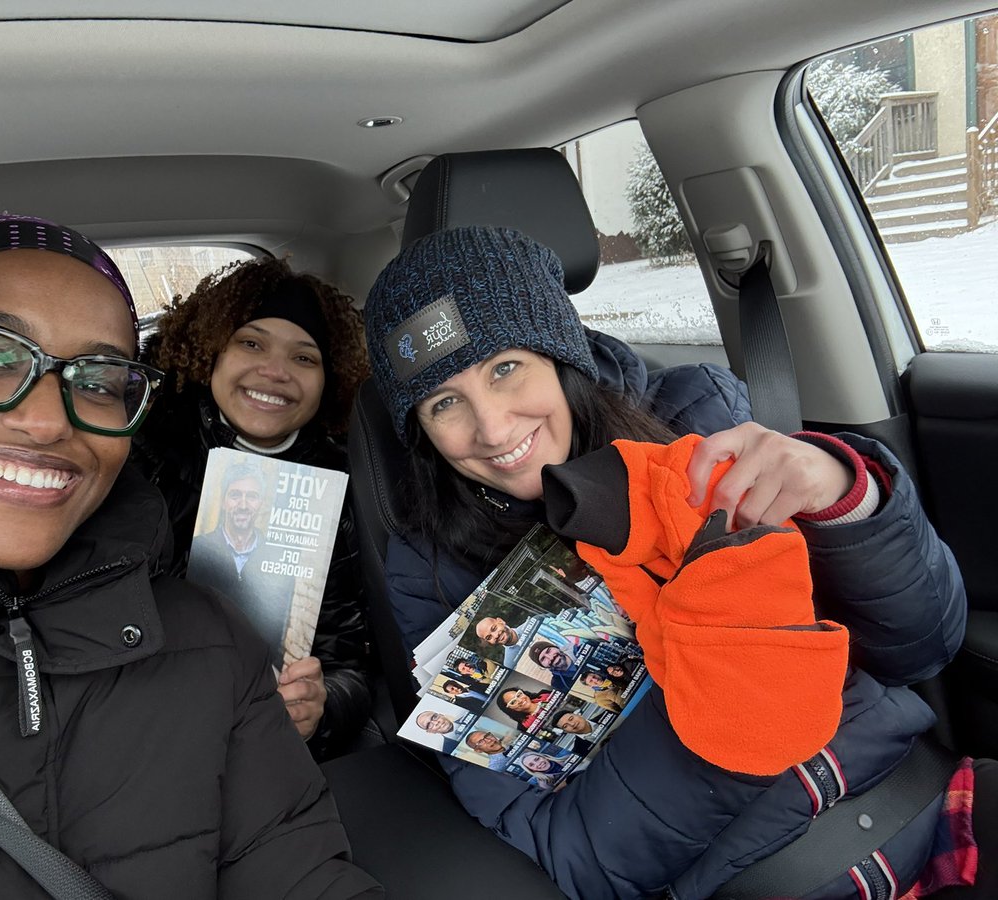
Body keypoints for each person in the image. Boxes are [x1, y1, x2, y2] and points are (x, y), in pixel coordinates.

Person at [365, 225, 978, 898]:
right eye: (444, 403)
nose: (493, 429)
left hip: (926, 802)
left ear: (559, 353)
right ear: (419, 430)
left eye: (504, 368)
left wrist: (842, 496)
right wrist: (734, 705)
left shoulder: (699, 416)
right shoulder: (433, 571)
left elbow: (926, 645)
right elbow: (560, 852)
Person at [0, 214, 381, 897]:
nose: (47, 421)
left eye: (98, 379)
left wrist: (322, 706)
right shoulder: (158, 457)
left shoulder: (215, 642)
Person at [134, 255, 373, 760]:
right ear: (210, 355)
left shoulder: (344, 488)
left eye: (304, 358)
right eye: (251, 342)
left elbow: (349, 660)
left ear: (329, 380)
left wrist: (320, 710)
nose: (275, 371)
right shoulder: (141, 456)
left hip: (260, 747)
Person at [187, 459, 295, 663]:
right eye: (235, 495)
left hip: (255, 677)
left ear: (261, 504)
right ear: (223, 501)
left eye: (252, 496)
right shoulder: (198, 548)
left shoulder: (279, 559)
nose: (243, 505)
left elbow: (277, 633)